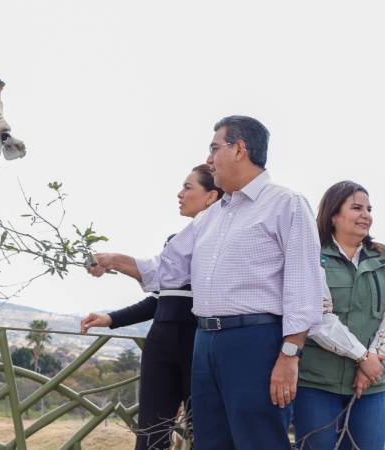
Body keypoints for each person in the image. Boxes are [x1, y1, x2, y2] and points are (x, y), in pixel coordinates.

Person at [88, 115, 323, 450]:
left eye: (214, 148)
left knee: (259, 442)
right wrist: (113, 261)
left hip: (255, 342)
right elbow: (164, 271)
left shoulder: (286, 205)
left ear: (239, 149)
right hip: (205, 343)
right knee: (210, 443)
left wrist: (289, 355)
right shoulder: (211, 217)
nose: (209, 159)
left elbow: (305, 286)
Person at [81, 164, 223, 450]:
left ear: (211, 197)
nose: (180, 194)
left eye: (188, 187)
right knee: (150, 434)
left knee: (204, 433)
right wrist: (109, 318)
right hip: (162, 341)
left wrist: (113, 261)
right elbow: (160, 300)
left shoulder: (224, 241)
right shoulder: (175, 243)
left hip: (202, 342)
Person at [294, 181, 385, 450]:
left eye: (369, 208)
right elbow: (318, 318)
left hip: (373, 385)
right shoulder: (312, 257)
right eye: (356, 208)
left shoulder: (381, 260)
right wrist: (361, 356)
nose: (366, 215)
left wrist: (371, 362)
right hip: (317, 383)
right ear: (334, 214)